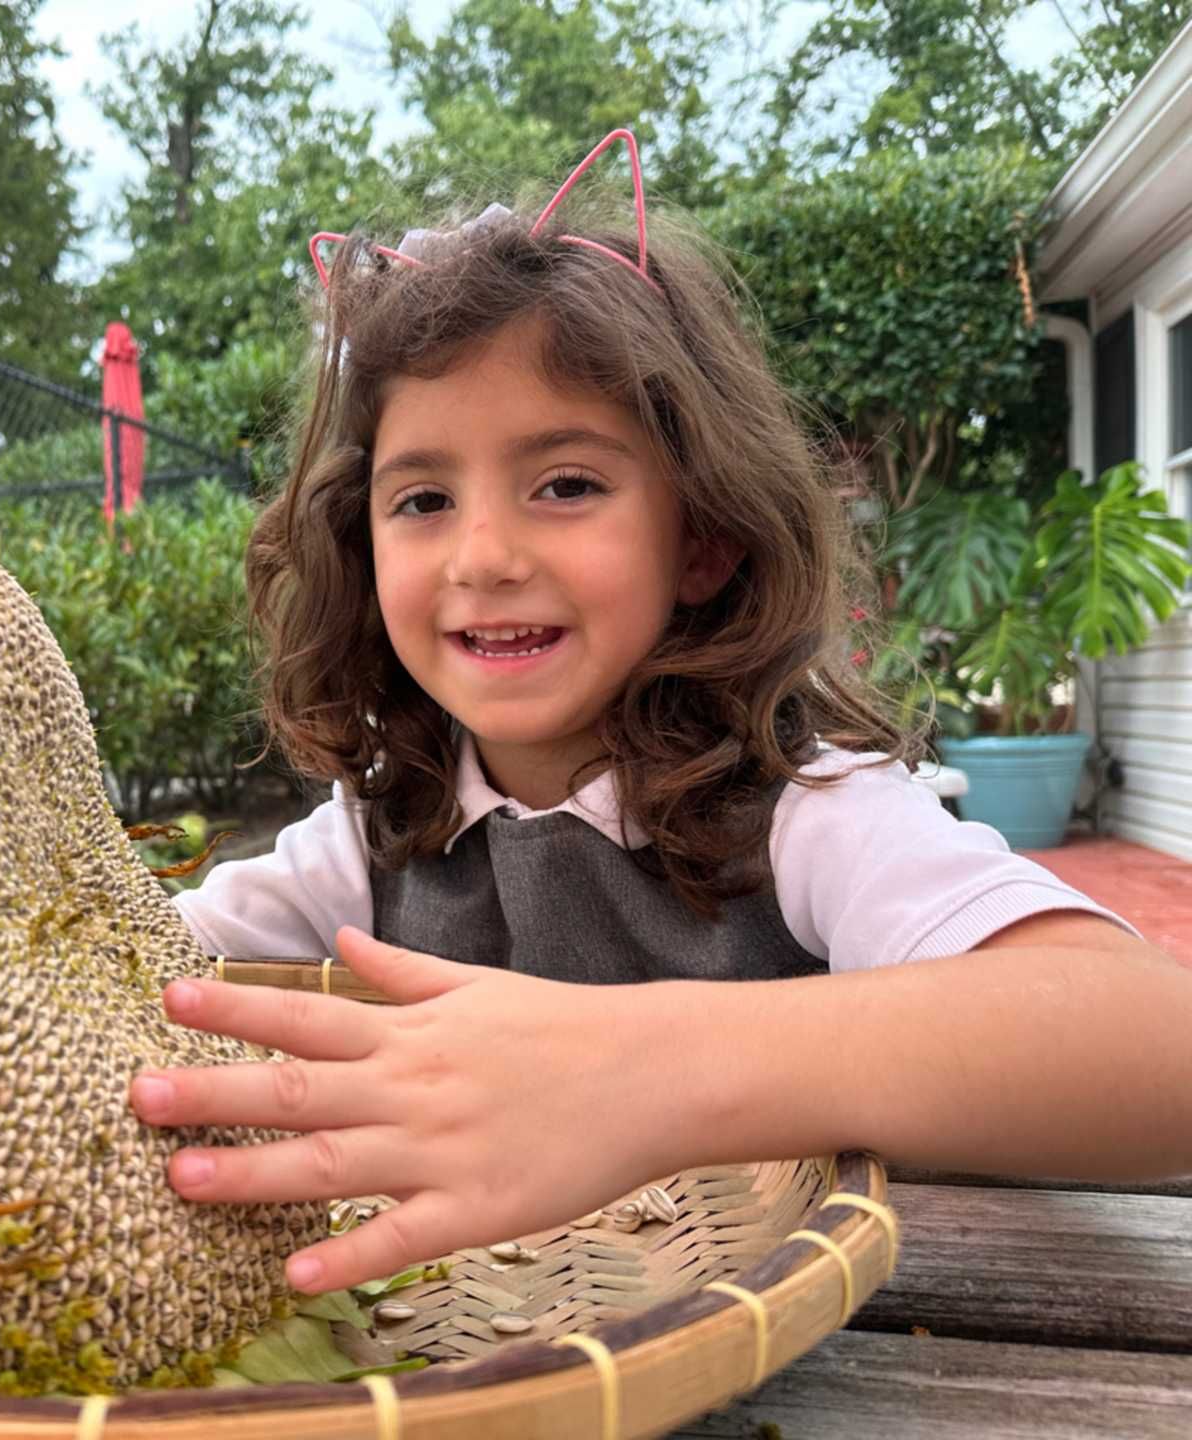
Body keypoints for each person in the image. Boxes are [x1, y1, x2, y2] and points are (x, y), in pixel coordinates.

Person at [123, 130, 1192, 1297]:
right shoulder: (367, 841)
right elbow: (131, 972)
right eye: (422, 498)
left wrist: (641, 1070)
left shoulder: (800, 813)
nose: (482, 556)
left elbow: (1152, 1044)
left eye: (567, 483)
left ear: (704, 535)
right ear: (357, 546)